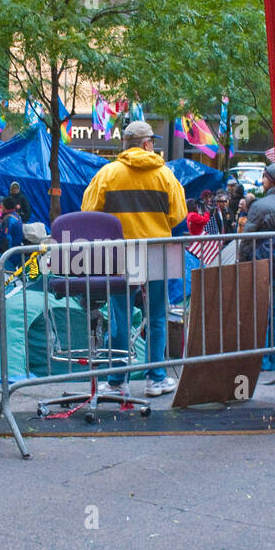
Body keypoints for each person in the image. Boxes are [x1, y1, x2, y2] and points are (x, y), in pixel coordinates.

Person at [81, 119, 187, 398]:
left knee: (120, 318)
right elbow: (177, 215)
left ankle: (117, 381)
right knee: (156, 317)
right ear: (148, 144)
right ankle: (156, 379)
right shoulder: (165, 174)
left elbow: (88, 209)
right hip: (157, 251)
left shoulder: (108, 173)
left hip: (120, 254)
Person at [239, 164, 275, 372]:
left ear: (271, 179)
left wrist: (241, 261)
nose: (262, 180)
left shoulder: (259, 206)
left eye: (264, 177)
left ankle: (262, 361)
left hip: (262, 263)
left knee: (261, 313)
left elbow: (247, 238)